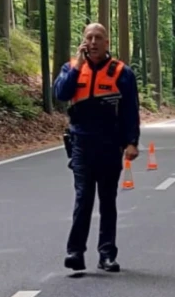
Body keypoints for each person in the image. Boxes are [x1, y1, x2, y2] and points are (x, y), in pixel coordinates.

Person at [53, 22, 140, 274]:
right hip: (81, 144)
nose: (93, 42)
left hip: (110, 145)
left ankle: (107, 254)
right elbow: (60, 93)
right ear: (83, 42)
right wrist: (77, 67)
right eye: (89, 37)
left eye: (98, 38)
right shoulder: (71, 68)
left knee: (107, 201)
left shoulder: (122, 72)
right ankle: (75, 252)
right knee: (83, 198)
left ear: (107, 43)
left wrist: (131, 142)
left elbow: (130, 111)